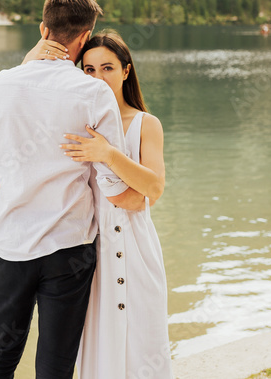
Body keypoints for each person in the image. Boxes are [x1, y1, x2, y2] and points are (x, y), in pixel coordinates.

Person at [0, 0, 144, 378]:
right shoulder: (94, 92)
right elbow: (114, 184)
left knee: (1, 350)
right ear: (85, 39)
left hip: (12, 244)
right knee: (55, 362)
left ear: (42, 29)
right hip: (69, 249)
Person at [26, 29, 172, 379]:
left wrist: (107, 153)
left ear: (126, 71)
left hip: (137, 250)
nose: (98, 78)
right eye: (89, 70)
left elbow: (152, 189)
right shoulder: (74, 124)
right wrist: (31, 58)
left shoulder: (144, 124)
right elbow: (22, 100)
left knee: (143, 343)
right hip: (88, 253)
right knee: (98, 347)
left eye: (107, 68)